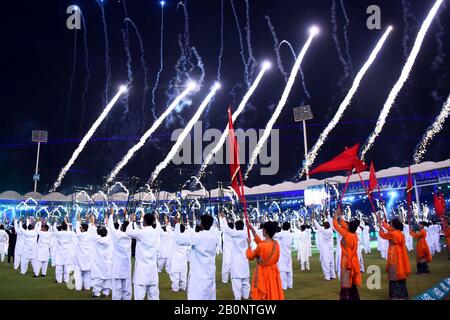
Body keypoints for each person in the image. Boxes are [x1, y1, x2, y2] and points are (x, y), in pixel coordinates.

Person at [174, 214, 218, 300]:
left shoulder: (198, 236)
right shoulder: (214, 236)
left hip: (198, 275)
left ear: (201, 224)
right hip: (210, 273)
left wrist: (177, 224)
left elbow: (179, 239)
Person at [126, 213, 161, 300]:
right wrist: (155, 218)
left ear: (144, 221)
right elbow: (157, 226)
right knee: (154, 296)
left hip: (142, 270)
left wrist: (131, 221)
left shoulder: (141, 232)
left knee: (139, 296)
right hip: (152, 269)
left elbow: (128, 232)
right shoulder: (156, 232)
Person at [246, 221, 284, 300]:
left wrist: (249, 246)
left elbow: (250, 256)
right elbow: (261, 243)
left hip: (263, 273)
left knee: (262, 294)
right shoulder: (276, 244)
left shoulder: (261, 246)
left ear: (265, 231)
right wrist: (252, 229)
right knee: (272, 292)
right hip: (273, 273)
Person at [332, 209, 361, 300]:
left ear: (349, 227)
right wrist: (340, 215)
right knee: (351, 281)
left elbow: (336, 225)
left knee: (346, 282)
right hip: (353, 260)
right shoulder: (354, 234)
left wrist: (335, 216)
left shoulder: (347, 234)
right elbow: (343, 223)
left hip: (346, 261)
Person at [379, 218, 411, 300]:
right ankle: (403, 295)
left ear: (393, 225)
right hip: (401, 255)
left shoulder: (392, 234)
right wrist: (383, 223)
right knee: (401, 275)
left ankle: (395, 295)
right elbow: (389, 229)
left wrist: (380, 229)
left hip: (393, 256)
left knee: (394, 276)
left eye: (391, 223)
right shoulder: (400, 233)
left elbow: (382, 235)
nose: (390, 225)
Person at [220, 214, 250, 300]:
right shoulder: (245, 233)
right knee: (245, 281)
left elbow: (226, 229)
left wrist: (223, 218)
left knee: (236, 282)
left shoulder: (234, 233)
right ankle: (245, 297)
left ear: (236, 227)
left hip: (236, 263)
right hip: (244, 261)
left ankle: (237, 298)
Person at [107, 211, 132, 300]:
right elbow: (129, 225)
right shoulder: (129, 236)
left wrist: (111, 214)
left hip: (117, 265)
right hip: (126, 265)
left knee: (117, 287)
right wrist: (127, 216)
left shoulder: (117, 235)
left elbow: (110, 226)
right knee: (127, 287)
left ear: (121, 227)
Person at [90, 216, 113, 298]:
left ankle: (96, 293)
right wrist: (107, 222)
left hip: (98, 263)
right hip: (107, 262)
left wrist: (92, 222)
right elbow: (110, 231)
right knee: (107, 278)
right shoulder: (110, 239)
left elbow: (93, 232)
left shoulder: (97, 239)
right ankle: (106, 292)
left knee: (97, 278)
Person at [74, 215, 97, 291]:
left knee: (78, 273)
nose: (80, 229)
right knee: (87, 273)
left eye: (81, 228)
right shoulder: (90, 234)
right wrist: (92, 221)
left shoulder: (80, 235)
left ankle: (78, 288)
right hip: (88, 257)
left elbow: (77, 228)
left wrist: (78, 219)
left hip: (80, 257)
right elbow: (93, 228)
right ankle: (87, 287)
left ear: (83, 229)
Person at [169, 223, 190, 292]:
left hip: (175, 258)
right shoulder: (186, 237)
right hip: (183, 258)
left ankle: (175, 288)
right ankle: (183, 287)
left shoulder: (175, 236)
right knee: (183, 274)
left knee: (175, 274)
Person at [53, 219, 74, 284]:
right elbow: (70, 231)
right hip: (67, 252)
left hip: (60, 252)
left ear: (61, 227)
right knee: (66, 267)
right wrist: (67, 224)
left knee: (59, 267)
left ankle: (59, 280)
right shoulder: (69, 233)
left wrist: (55, 223)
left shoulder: (59, 233)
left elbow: (54, 229)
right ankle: (66, 280)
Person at [274, 222, 294, 290]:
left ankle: (284, 286)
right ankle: (290, 285)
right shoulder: (290, 234)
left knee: (282, 270)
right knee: (289, 270)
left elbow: (274, 235)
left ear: (283, 226)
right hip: (288, 253)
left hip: (282, 254)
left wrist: (273, 227)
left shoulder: (283, 233)